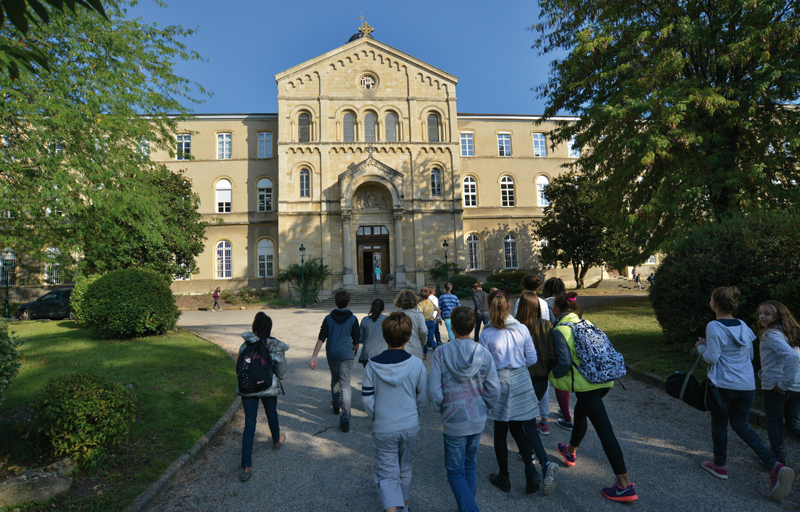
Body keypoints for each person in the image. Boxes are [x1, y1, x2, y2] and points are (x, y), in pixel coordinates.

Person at [695, 287, 794, 502]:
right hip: (747, 385)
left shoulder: (714, 325)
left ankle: (720, 465)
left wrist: (701, 348)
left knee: (720, 424)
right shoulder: (743, 326)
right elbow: (749, 355)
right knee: (741, 425)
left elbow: (712, 358)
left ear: (715, 304)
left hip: (723, 384)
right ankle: (774, 465)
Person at [549, 292, 637, 502]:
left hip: (586, 385)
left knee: (604, 430)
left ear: (556, 310)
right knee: (581, 411)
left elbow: (563, 364)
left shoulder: (560, 330)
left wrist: (549, 375)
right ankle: (570, 451)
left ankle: (624, 484)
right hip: (605, 380)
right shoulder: (588, 323)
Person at [480, 291, 557, 496]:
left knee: (500, 430)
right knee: (518, 427)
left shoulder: (487, 333)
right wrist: (519, 364)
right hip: (521, 378)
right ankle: (530, 471)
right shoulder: (521, 329)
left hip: (500, 380)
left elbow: (484, 364)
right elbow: (531, 357)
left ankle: (504, 476)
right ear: (508, 306)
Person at [429, 306, 501, 512]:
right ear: (472, 327)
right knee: (470, 463)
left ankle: (469, 508)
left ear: (453, 326)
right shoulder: (484, 353)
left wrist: (441, 408)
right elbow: (494, 388)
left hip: (453, 419)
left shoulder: (441, 353)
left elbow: (434, 390)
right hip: (477, 417)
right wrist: (485, 407)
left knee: (454, 471)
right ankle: (468, 506)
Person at [362, 312, 429, 512]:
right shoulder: (417, 364)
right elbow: (423, 398)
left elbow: (367, 399)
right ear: (408, 337)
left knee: (387, 472)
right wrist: (417, 413)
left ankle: (392, 509)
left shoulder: (372, 365)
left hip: (384, 425)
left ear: (384, 335)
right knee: (405, 466)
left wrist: (376, 416)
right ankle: (404, 505)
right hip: (409, 424)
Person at [237, 312, 288, 482]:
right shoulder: (274, 345)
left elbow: (239, 366)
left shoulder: (245, 345)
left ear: (254, 326)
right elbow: (281, 370)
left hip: (248, 387)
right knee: (271, 413)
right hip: (267, 386)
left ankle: (246, 466)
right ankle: (276, 440)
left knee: (250, 422)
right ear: (269, 328)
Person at [309, 290, 361, 433]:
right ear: (348, 303)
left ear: (335, 303)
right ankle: (345, 416)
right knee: (346, 385)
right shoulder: (353, 319)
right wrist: (354, 350)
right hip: (347, 354)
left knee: (335, 379)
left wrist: (314, 355)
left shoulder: (328, 318)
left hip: (332, 354)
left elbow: (321, 337)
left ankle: (335, 405)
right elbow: (357, 340)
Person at [757, 301, 800, 466]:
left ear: (777, 316)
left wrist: (783, 384)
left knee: (773, 421)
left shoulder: (771, 334)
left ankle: (777, 458)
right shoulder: (790, 333)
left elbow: (792, 357)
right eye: (761, 313)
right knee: (793, 424)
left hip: (778, 386)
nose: (762, 316)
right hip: (796, 386)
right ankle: (776, 455)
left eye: (767, 313)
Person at [516, 291, 557, 444]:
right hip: (542, 375)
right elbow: (553, 354)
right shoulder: (547, 326)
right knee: (533, 409)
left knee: (525, 416)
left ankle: (529, 450)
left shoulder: (517, 327)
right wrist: (550, 369)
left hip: (523, 376)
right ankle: (532, 446)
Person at [542, 277, 571, 430]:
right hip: (568, 342)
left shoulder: (546, 303)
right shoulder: (565, 301)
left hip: (554, 342)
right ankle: (565, 409)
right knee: (564, 380)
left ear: (547, 290)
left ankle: (567, 418)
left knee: (557, 380)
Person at [393, 289, 428, 360]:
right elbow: (424, 331)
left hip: (399, 348)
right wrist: (422, 342)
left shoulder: (396, 315)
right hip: (415, 346)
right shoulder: (418, 315)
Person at [359, 298, 388, 367]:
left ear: (371, 307)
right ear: (383, 308)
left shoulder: (365, 320)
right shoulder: (387, 319)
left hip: (367, 354)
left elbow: (360, 338)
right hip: (382, 354)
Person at [418, 287, 440, 357]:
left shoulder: (421, 304)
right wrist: (436, 318)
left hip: (424, 322)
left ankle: (425, 353)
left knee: (425, 339)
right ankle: (435, 348)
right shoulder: (431, 303)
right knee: (431, 338)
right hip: (431, 321)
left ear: (420, 296)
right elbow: (439, 310)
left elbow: (420, 313)